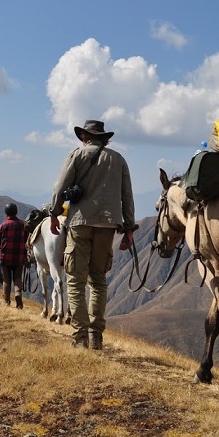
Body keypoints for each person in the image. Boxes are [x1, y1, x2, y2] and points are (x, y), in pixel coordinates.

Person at [50, 119, 136, 350]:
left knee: (76, 282)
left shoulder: (76, 156)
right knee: (98, 280)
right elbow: (126, 195)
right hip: (108, 224)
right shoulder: (118, 159)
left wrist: (54, 214)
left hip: (80, 222)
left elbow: (60, 189)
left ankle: (80, 338)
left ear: (84, 137)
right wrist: (128, 228)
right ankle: (96, 336)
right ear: (104, 138)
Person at [0, 203, 28, 309]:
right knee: (17, 277)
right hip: (19, 257)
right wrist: (25, 256)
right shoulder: (23, 225)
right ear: (16, 212)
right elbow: (27, 242)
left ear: (6, 213)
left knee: (6, 280)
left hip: (5, 258)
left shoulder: (2, 226)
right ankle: (17, 295)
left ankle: (6, 301)